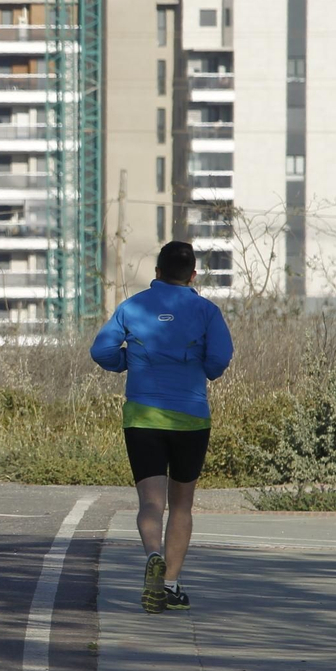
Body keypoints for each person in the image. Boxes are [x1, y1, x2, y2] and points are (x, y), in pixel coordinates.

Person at [91, 240, 233, 614]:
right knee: (181, 505)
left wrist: (127, 362)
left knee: (151, 503)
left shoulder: (133, 307)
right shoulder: (207, 311)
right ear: (193, 275)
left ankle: (153, 555)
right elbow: (219, 360)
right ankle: (169, 584)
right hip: (190, 419)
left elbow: (101, 351)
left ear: (157, 272)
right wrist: (201, 366)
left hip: (143, 418)